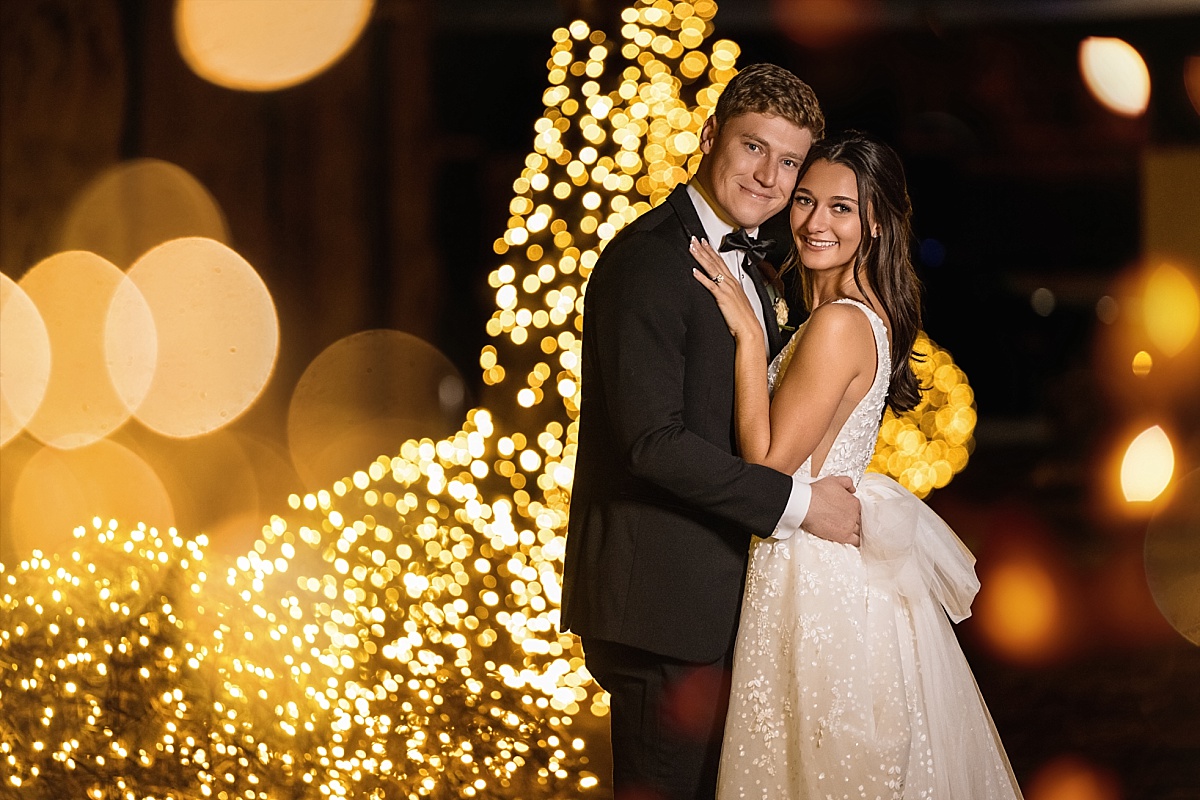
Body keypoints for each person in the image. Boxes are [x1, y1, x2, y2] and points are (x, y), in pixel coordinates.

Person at [560, 64, 863, 800]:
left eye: (789, 161)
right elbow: (652, 444)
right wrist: (797, 504)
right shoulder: (651, 262)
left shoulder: (755, 260)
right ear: (708, 138)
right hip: (660, 609)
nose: (769, 176)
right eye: (753, 147)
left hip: (714, 603)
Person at [689, 130, 1023, 799]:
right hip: (823, 558)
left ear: (875, 223)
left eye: (841, 207)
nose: (815, 221)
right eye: (806, 200)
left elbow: (768, 462)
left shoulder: (840, 323)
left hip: (814, 577)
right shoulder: (859, 316)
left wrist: (750, 341)